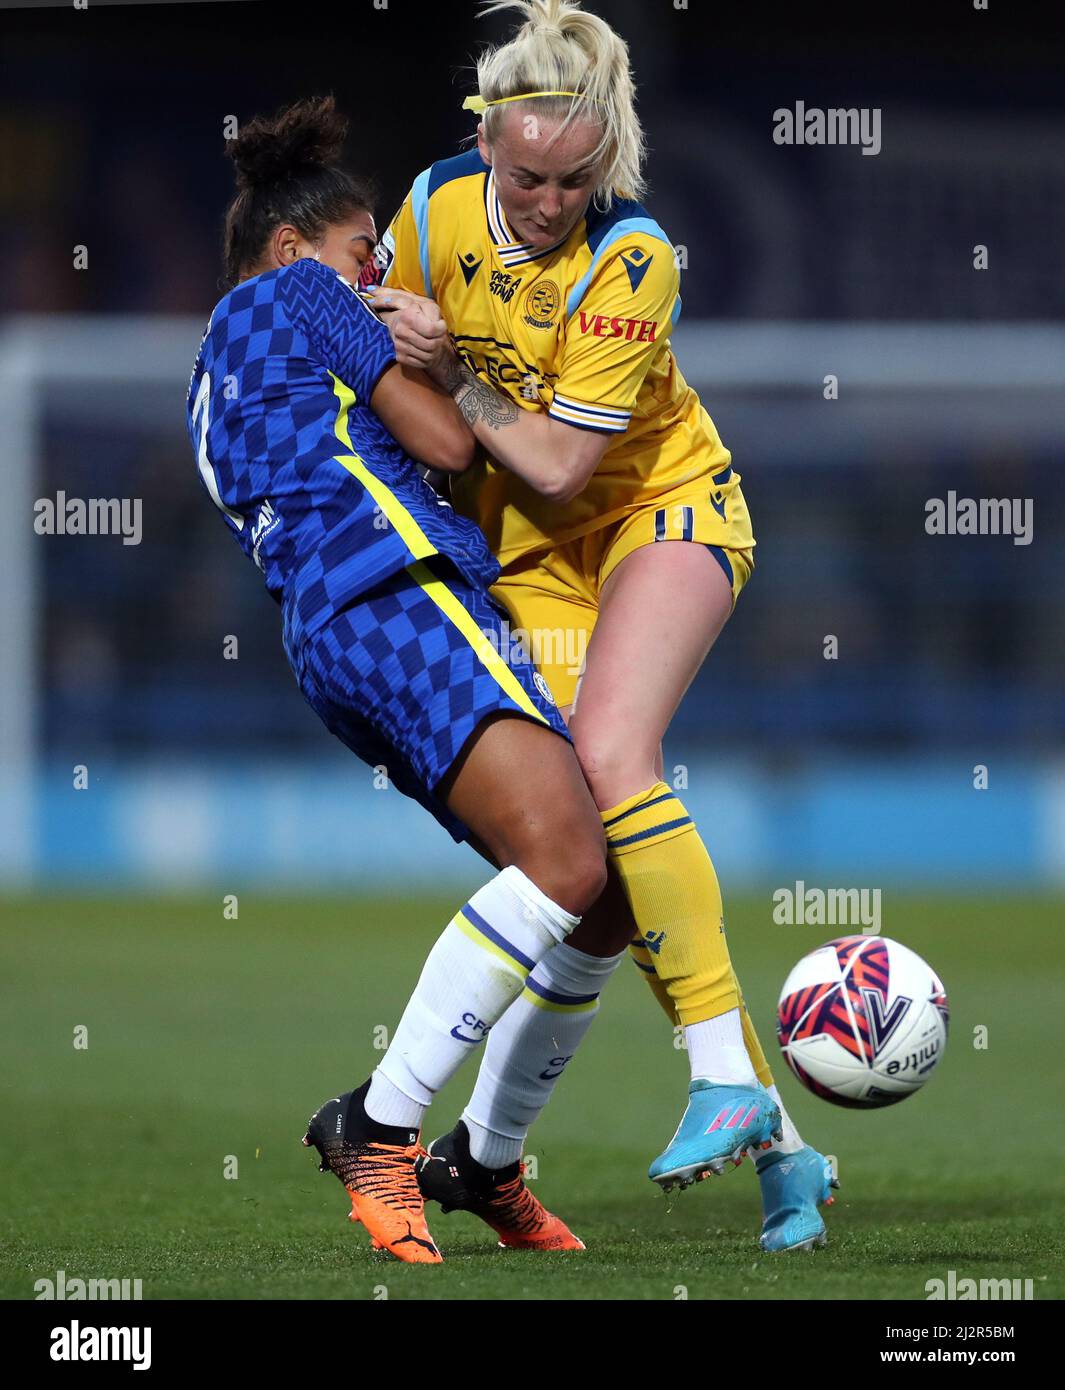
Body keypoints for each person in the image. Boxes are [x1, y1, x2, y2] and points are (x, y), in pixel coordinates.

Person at [364, 0, 838, 1252]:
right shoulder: (428, 209)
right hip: (527, 555)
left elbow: (566, 463)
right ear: (485, 140)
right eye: (523, 175)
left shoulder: (639, 258)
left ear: (608, 158)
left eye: (576, 178)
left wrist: (448, 364)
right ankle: (782, 1142)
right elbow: (387, 384)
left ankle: (725, 1081)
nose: (547, 200)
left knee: (620, 757)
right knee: (602, 856)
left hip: (665, 511)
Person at [186, 94, 633, 1263]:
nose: (379, 269)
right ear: (295, 252)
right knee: (574, 861)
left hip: (334, 632)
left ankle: (482, 1163)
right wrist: (442, 355)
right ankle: (379, 1124)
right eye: (361, 251)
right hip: (397, 593)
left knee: (603, 893)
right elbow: (443, 446)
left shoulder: (213, 366)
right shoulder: (299, 294)